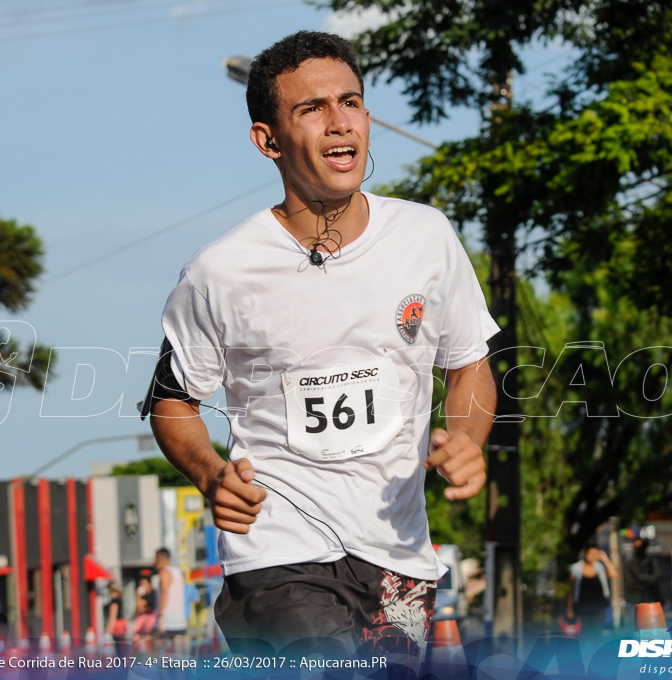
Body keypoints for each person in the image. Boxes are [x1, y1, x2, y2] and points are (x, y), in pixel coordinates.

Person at [141, 30, 498, 660]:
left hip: (398, 555)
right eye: (312, 109)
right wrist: (210, 473)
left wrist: (466, 440)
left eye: (351, 103)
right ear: (267, 140)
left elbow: (469, 364)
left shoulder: (426, 236)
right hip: (278, 552)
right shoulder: (221, 272)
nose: (341, 125)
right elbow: (172, 402)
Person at [568, 543, 618, 636]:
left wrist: (605, 559)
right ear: (585, 553)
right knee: (584, 634)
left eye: (596, 554)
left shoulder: (600, 568)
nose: (593, 556)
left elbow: (613, 574)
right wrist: (569, 609)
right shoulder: (576, 569)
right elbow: (571, 591)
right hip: (582, 608)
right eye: (591, 553)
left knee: (597, 634)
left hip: (599, 607)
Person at [154, 548, 189, 654]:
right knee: (180, 656)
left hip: (167, 619)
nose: (154, 561)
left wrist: (160, 616)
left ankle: (163, 670)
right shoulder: (178, 572)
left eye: (156, 558)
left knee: (156, 650)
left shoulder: (164, 572)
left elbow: (164, 593)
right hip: (180, 618)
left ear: (164, 558)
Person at [623, 538, 661, 630]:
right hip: (633, 601)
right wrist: (647, 581)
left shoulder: (651, 562)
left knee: (651, 630)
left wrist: (639, 577)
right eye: (636, 547)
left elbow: (656, 577)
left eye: (640, 547)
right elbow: (629, 583)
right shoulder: (629, 563)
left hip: (650, 600)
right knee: (636, 630)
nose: (638, 549)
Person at [133, 571, 157, 653]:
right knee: (137, 638)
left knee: (148, 640)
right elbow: (138, 607)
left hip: (150, 619)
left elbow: (142, 605)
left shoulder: (153, 593)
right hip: (143, 619)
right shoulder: (140, 593)